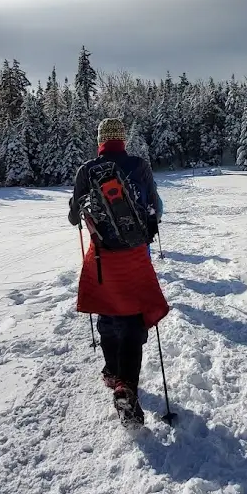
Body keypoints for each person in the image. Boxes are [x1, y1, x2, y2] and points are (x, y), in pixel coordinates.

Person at [68, 117, 168, 425]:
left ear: (100, 141)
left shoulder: (86, 170)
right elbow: (155, 208)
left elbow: (74, 218)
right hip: (134, 256)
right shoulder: (139, 165)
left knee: (108, 312)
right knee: (134, 320)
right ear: (122, 140)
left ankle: (112, 371)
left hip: (101, 258)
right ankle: (126, 386)